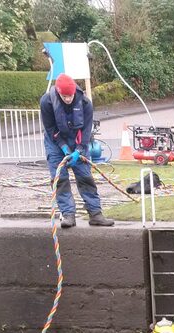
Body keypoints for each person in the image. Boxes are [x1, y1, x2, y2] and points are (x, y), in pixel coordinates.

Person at [39, 73, 114, 228]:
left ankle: (95, 214)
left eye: (70, 96)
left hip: (78, 140)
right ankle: (68, 215)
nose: (68, 99)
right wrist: (64, 148)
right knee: (60, 179)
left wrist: (78, 150)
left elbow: (86, 131)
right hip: (55, 143)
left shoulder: (85, 104)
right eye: (64, 96)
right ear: (58, 92)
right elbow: (51, 128)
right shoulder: (46, 102)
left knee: (85, 176)